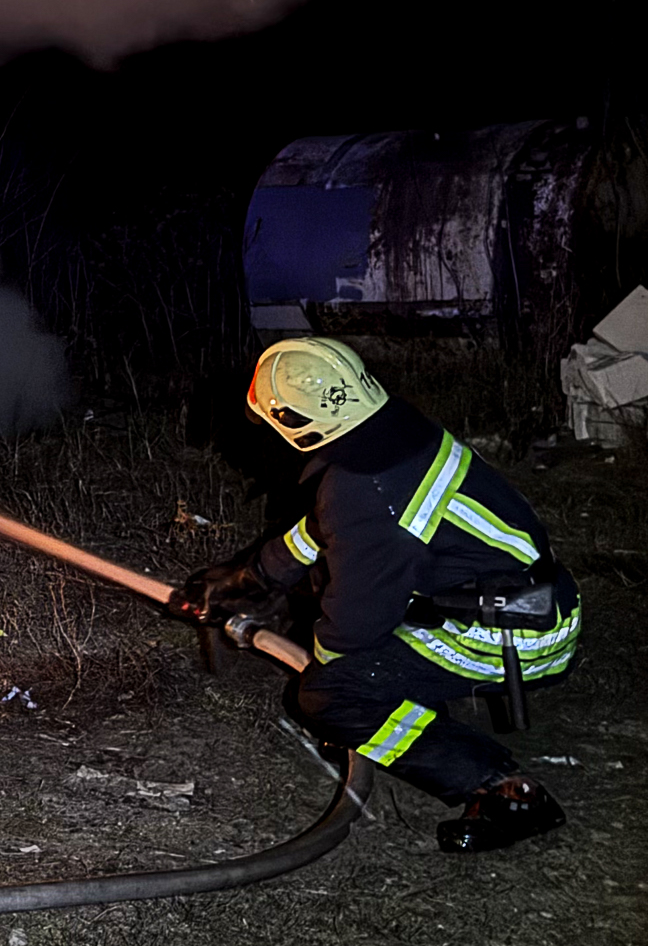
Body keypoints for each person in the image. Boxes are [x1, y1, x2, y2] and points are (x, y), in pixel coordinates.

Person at [182, 337, 579, 853]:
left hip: (514, 634)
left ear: (293, 421)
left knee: (333, 694)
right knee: (333, 604)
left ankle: (505, 790)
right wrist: (253, 575)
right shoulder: (391, 435)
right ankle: (405, 700)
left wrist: (337, 691)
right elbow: (331, 528)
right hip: (530, 601)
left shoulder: (366, 490)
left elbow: (353, 627)